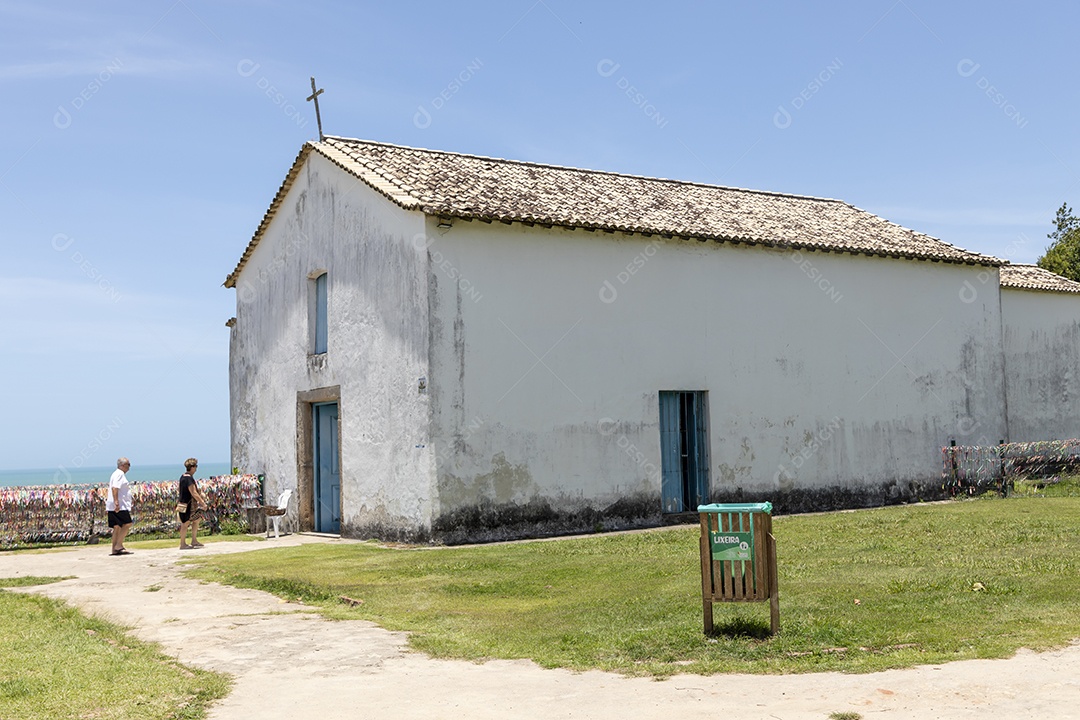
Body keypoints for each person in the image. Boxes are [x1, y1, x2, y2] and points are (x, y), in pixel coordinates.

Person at [178, 458, 208, 549]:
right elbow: (193, 492)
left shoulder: (183, 477)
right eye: (195, 466)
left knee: (196, 520)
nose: (196, 468)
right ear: (192, 467)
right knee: (185, 523)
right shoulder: (188, 479)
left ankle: (194, 540)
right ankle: (182, 544)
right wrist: (202, 503)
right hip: (188, 505)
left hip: (183, 504)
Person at [107, 457, 134, 556]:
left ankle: (114, 548)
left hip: (113, 504)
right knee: (127, 524)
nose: (129, 467)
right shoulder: (119, 474)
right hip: (120, 505)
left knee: (117, 527)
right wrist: (116, 502)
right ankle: (118, 545)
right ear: (122, 465)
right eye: (128, 465)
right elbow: (115, 488)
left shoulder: (116, 474)